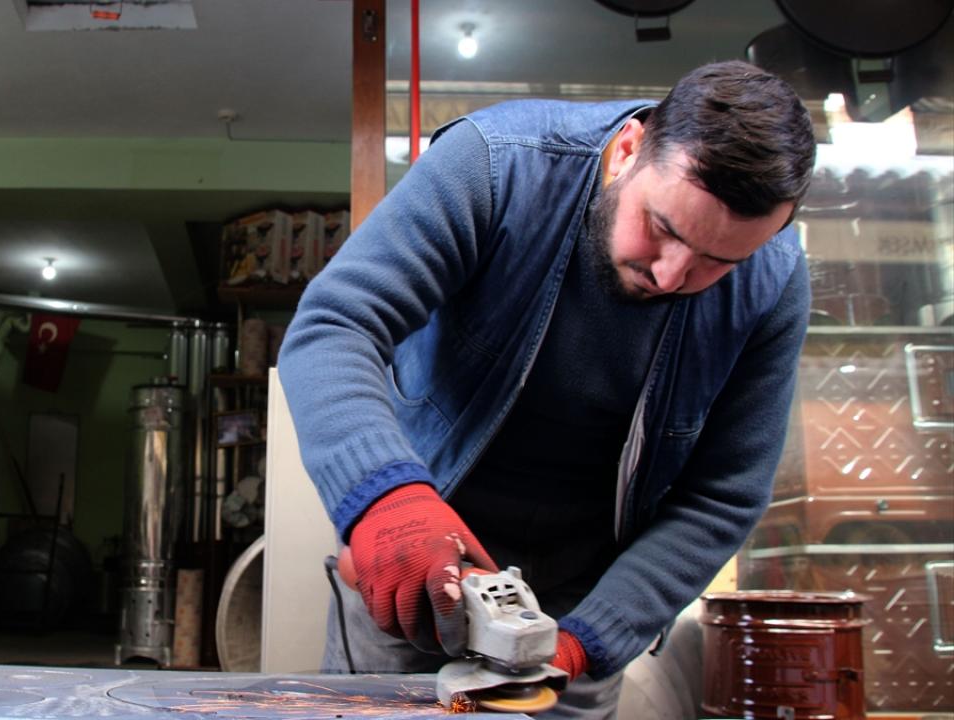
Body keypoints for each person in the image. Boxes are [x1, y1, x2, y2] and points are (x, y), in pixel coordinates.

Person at [275, 60, 815, 718]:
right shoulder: (496, 165)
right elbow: (338, 325)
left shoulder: (772, 285)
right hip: (414, 566)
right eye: (664, 229)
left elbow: (722, 496)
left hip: (580, 605)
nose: (672, 275)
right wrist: (384, 498)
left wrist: (589, 640)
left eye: (718, 262)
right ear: (629, 150)